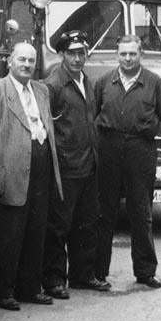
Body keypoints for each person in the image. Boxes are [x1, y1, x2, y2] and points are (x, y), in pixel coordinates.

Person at [0, 41, 63, 311]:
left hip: (41, 169)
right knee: (9, 235)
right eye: (21, 59)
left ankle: (30, 288)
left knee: (36, 231)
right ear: (9, 61)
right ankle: (4, 292)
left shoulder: (42, 90)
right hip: (9, 172)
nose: (26, 65)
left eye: (31, 61)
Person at [94, 35, 161, 289]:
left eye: (132, 54)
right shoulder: (103, 83)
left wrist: (149, 131)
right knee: (104, 213)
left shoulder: (154, 83)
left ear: (141, 55)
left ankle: (145, 272)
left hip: (140, 150)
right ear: (116, 55)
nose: (128, 59)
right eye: (123, 54)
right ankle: (98, 272)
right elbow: (92, 116)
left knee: (141, 212)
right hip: (109, 150)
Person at [42, 30, 111, 299]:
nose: (77, 58)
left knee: (86, 224)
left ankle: (83, 275)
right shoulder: (54, 85)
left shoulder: (88, 82)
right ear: (62, 55)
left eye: (82, 53)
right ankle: (54, 280)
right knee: (59, 226)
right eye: (72, 53)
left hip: (89, 166)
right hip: (66, 168)